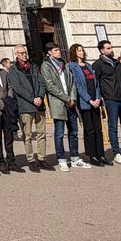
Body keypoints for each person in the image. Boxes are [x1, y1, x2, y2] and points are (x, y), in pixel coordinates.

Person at [42, 43, 86, 171]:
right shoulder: (46, 66)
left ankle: (75, 157)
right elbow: (50, 86)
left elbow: (72, 82)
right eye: (56, 50)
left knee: (74, 131)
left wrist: (72, 98)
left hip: (71, 103)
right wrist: (66, 98)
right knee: (59, 133)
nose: (59, 52)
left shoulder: (65, 65)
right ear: (50, 52)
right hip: (58, 103)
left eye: (59, 49)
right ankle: (61, 159)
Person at [94, 40, 121, 164]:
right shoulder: (98, 65)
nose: (110, 50)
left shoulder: (117, 63)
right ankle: (116, 152)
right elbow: (96, 83)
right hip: (111, 99)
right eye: (107, 48)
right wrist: (101, 98)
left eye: (111, 47)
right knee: (113, 127)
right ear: (101, 50)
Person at [9, 44, 48, 171]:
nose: (24, 55)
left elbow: (42, 83)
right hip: (26, 106)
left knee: (41, 133)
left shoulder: (33, 67)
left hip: (39, 104)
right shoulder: (13, 70)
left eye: (25, 52)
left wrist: (40, 97)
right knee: (27, 134)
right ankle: (31, 160)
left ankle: (42, 158)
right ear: (16, 55)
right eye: (21, 53)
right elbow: (18, 88)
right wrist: (32, 99)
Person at [68, 43, 108, 166]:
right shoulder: (72, 66)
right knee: (89, 129)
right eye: (79, 50)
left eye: (82, 50)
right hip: (85, 102)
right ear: (74, 53)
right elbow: (77, 86)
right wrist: (89, 100)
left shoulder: (89, 66)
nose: (82, 52)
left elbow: (96, 84)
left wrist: (97, 98)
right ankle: (92, 155)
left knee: (98, 128)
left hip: (95, 101)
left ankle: (100, 154)